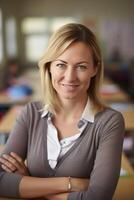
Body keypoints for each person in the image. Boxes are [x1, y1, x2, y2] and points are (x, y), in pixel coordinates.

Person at [0, 23, 125, 200]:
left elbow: (98, 197)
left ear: (94, 69)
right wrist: (71, 184)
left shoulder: (110, 122)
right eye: (61, 65)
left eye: (81, 66)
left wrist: (29, 183)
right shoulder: (31, 113)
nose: (70, 76)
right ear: (49, 66)